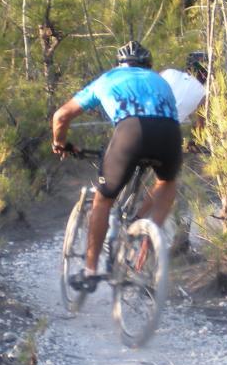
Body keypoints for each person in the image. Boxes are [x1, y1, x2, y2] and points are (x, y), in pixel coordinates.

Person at [51, 41, 183, 293]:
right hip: (170, 134)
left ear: (119, 65)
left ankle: (90, 272)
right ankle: (146, 241)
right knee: (167, 182)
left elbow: (61, 116)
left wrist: (60, 143)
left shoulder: (108, 79)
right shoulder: (161, 81)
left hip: (130, 133)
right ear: (149, 65)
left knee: (103, 200)